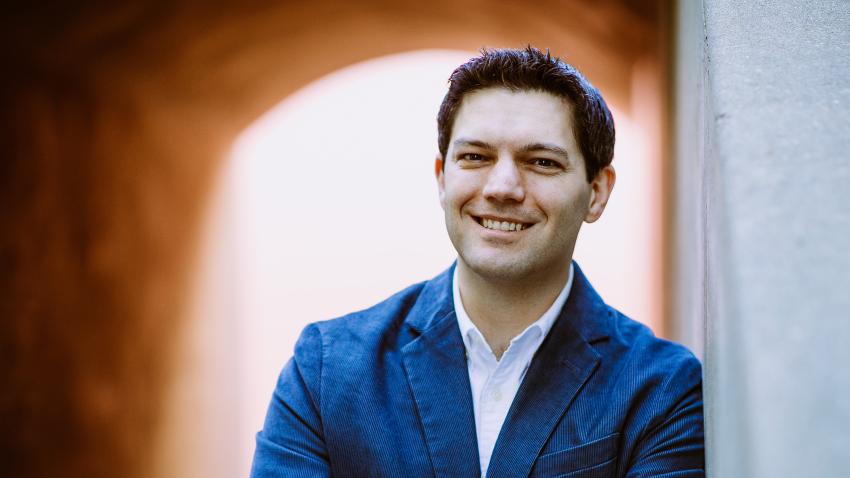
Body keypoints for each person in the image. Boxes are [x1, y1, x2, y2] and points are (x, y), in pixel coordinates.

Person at [250, 46, 704, 478]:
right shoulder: (327, 372)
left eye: (542, 162)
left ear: (597, 192)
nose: (502, 186)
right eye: (475, 157)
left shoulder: (660, 388)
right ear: (442, 178)